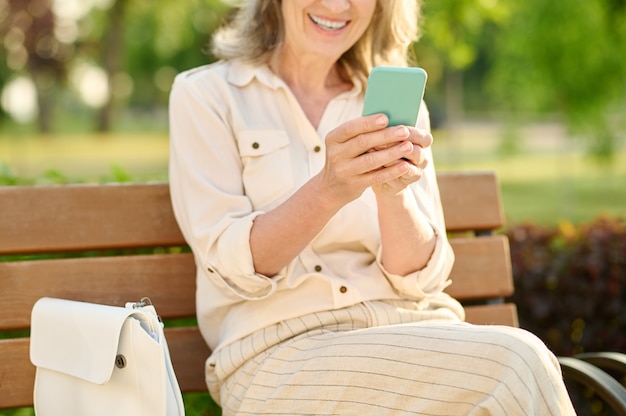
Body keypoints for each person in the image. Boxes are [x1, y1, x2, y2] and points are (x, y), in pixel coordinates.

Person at [168, 0, 576, 414]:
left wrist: (393, 193)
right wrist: (328, 190)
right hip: (278, 355)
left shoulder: (397, 102)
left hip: (410, 330)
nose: (337, 5)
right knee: (517, 363)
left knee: (508, 370)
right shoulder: (207, 95)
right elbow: (229, 264)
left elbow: (422, 279)